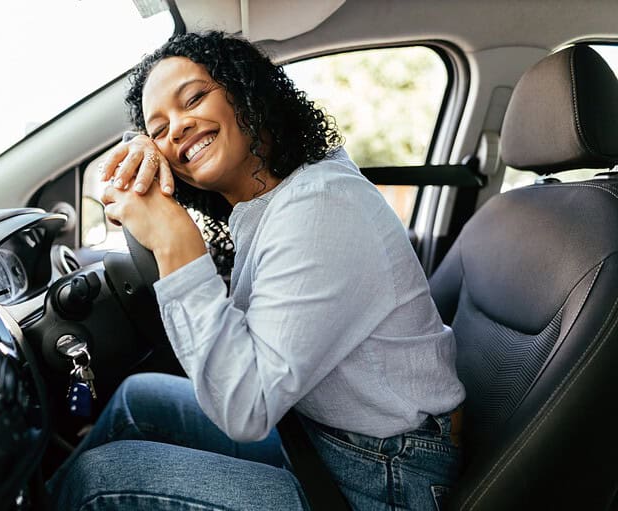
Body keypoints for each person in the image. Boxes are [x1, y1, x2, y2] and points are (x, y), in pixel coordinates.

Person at [49, 31, 465, 511]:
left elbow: (246, 409)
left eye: (195, 98)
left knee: (100, 479)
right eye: (158, 130)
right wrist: (139, 147)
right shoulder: (274, 197)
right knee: (137, 398)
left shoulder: (319, 206)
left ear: (250, 92)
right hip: (322, 436)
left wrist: (173, 241)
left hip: (386, 475)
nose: (177, 130)